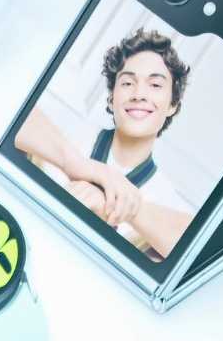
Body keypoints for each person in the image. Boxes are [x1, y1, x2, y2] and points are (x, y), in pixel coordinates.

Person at [14, 27, 194, 260]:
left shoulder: (167, 201)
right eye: (127, 83)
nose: (139, 94)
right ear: (111, 98)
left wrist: (119, 204)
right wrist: (79, 165)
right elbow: (12, 113)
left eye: (155, 85)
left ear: (172, 105)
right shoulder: (61, 130)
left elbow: (193, 249)